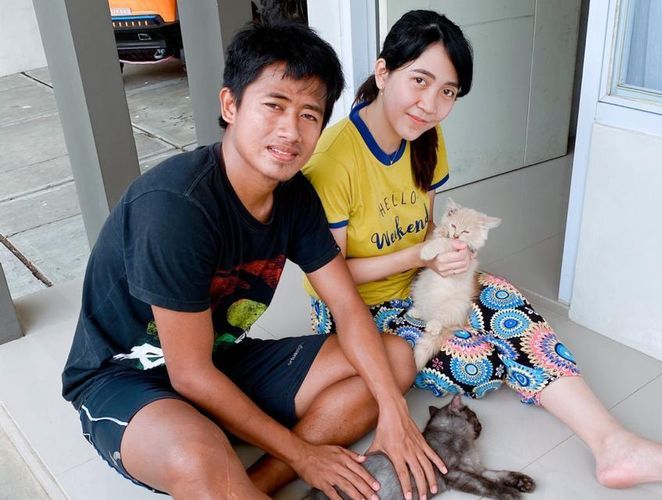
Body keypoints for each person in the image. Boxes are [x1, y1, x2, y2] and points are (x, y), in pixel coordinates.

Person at [302, 9, 662, 489]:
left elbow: (423, 228)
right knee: (482, 359)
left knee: (504, 301)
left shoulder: (424, 137)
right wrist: (419, 257)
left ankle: (614, 444)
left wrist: (447, 251)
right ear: (383, 72)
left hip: (418, 283)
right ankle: (584, 424)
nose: (430, 104)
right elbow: (328, 276)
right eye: (419, 80)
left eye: (448, 92)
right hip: (357, 310)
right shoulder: (334, 162)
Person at [61, 21, 447, 500]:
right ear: (231, 105)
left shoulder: (295, 196)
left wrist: (394, 412)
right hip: (125, 377)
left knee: (393, 361)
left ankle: (254, 485)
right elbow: (189, 374)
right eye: (274, 105)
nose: (290, 130)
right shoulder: (175, 207)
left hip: (221, 358)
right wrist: (303, 454)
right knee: (194, 457)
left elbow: (348, 308)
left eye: (309, 115)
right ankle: (234, 471)